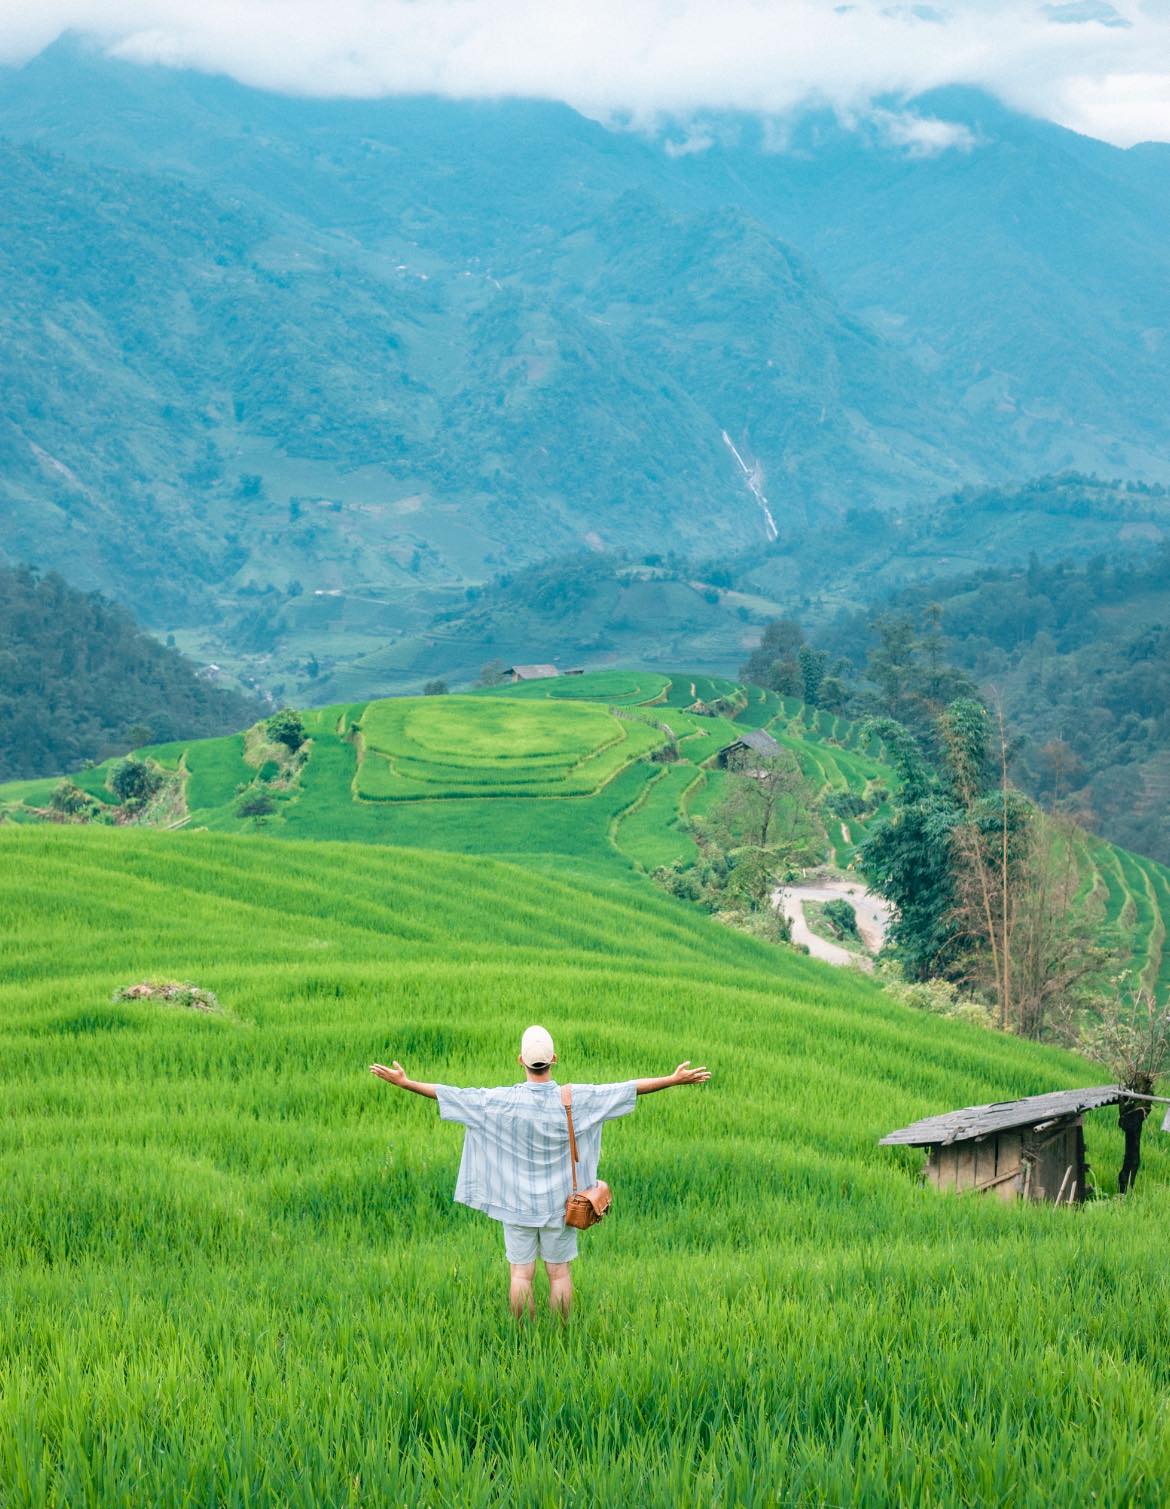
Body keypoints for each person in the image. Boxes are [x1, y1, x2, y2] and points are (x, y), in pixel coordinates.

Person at [370, 1025, 711, 1319]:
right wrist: (673, 1079)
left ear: (521, 1061)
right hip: (561, 1206)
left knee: (521, 1275)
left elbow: (450, 1095)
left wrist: (406, 1082)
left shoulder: (500, 1101)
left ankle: (524, 1337)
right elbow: (627, 1087)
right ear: (553, 1059)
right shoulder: (576, 1098)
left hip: (516, 1205)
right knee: (559, 1274)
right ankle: (562, 1332)